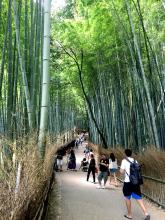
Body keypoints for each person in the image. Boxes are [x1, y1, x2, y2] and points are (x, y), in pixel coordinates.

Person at [120, 149, 150, 220]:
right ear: (131, 154)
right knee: (138, 198)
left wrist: (124, 170)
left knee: (127, 198)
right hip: (135, 182)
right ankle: (146, 213)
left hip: (128, 182)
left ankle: (129, 215)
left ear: (125, 154)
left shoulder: (124, 161)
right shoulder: (135, 160)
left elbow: (121, 171)